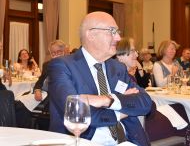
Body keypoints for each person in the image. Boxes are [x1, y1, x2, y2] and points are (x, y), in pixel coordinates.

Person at [48, 11, 152, 146]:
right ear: (91, 35)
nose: (119, 38)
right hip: (85, 141)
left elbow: (145, 103)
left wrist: (108, 100)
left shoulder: (117, 68)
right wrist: (120, 112)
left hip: (128, 140)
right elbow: (75, 114)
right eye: (112, 31)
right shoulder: (62, 66)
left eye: (118, 32)